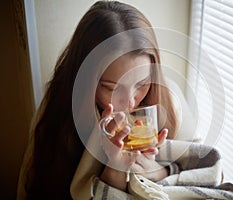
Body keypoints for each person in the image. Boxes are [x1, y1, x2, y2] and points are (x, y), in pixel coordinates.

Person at [17, 1, 177, 199]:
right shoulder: (59, 113)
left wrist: (158, 172)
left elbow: (200, 174)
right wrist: (115, 170)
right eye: (111, 88)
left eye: (142, 84)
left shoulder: (165, 99)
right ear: (85, 82)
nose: (129, 102)